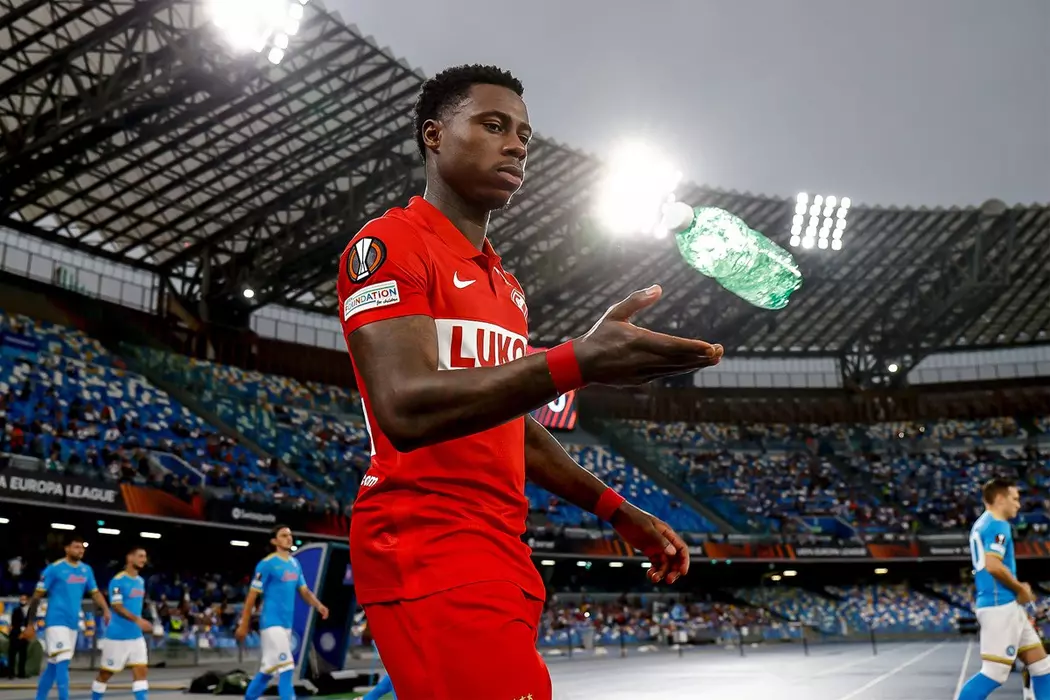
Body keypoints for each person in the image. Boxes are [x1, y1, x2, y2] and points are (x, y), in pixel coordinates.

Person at [337, 63, 723, 700]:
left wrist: (618, 510)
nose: (516, 145)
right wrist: (578, 361)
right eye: (493, 125)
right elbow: (403, 407)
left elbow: (508, 426)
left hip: (501, 546)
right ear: (434, 135)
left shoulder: (507, 288)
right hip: (428, 540)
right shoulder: (389, 245)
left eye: (523, 134)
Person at [959, 478, 1050, 700]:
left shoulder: (982, 523)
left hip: (1005, 605)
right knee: (994, 673)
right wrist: (1020, 588)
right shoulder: (998, 524)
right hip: (999, 605)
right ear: (1000, 499)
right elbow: (993, 564)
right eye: (1015, 499)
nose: (1018, 504)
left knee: (1042, 666)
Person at [235, 525, 329, 700]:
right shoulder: (267, 564)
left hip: (286, 624)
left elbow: (304, 591)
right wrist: (243, 625)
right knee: (287, 667)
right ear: (274, 541)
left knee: (268, 670)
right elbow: (252, 596)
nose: (289, 538)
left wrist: (318, 605)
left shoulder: (295, 564)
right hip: (271, 623)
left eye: (290, 535)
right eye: (284, 535)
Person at [23, 535, 110, 700]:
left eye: (82, 547)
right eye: (76, 547)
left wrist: (106, 609)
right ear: (67, 549)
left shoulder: (86, 570)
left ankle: (39, 698)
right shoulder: (54, 569)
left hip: (72, 623)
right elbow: (36, 597)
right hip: (56, 621)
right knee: (63, 662)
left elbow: (95, 592)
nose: (80, 550)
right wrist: (29, 623)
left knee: (53, 665)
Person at [92, 546, 152, 700]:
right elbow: (117, 606)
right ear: (130, 558)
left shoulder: (140, 581)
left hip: (136, 636)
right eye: (140, 556)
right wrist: (138, 620)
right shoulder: (117, 581)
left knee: (141, 671)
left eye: (145, 556)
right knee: (105, 673)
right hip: (117, 637)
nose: (144, 560)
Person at [8, 594, 29, 679]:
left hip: (25, 636)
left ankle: (21, 673)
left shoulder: (30, 611)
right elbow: (14, 623)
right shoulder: (16, 610)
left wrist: (25, 632)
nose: (23, 601)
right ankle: (11, 673)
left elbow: (29, 623)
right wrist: (20, 631)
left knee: (23, 655)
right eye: (21, 599)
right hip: (15, 635)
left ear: (27, 600)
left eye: (24, 599)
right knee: (12, 655)